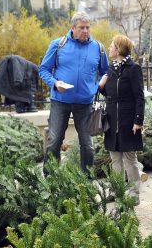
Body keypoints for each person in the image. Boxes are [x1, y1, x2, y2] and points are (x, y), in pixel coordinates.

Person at [39, 11, 109, 174]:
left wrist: (97, 86)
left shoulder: (98, 48)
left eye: (88, 27)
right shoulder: (58, 44)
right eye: (81, 28)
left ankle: (87, 180)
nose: (85, 31)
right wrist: (55, 83)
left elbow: (106, 72)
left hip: (85, 104)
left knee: (88, 144)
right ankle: (51, 179)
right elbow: (43, 69)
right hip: (60, 100)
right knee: (54, 141)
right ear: (73, 28)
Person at [98, 35, 146, 198]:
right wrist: (101, 87)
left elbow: (139, 96)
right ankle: (117, 191)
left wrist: (138, 120)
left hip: (128, 120)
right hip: (112, 120)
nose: (109, 48)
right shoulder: (111, 68)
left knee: (129, 159)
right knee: (115, 158)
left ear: (118, 49)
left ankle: (133, 192)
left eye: (111, 46)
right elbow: (110, 93)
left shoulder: (133, 68)